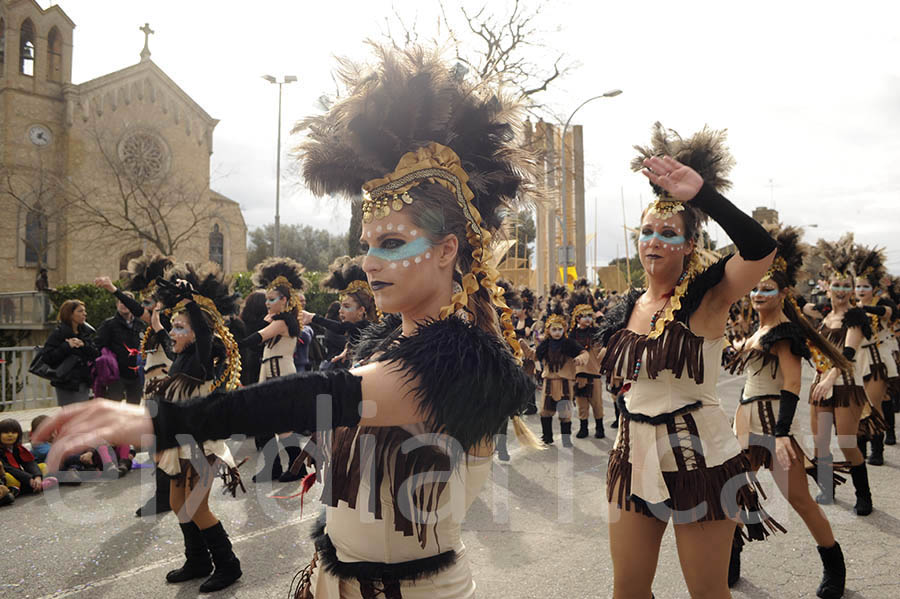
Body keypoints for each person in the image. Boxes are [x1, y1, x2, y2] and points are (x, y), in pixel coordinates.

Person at [36, 45, 538, 598]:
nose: (370, 262)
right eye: (368, 244)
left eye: (393, 244)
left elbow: (317, 393)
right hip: (335, 579)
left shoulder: (464, 362)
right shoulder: (388, 344)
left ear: (447, 249)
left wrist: (157, 421)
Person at [597, 123, 780, 598]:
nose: (654, 241)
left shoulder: (708, 298)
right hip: (633, 455)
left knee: (707, 593)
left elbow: (760, 249)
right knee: (628, 592)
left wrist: (705, 195)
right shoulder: (629, 305)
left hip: (700, 462)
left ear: (690, 246)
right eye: (648, 231)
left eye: (669, 233)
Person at [728, 225, 848, 598]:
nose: (759, 293)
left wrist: (781, 434)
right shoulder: (756, 330)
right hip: (744, 422)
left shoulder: (784, 333)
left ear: (784, 294)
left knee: (800, 500)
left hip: (771, 427)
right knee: (732, 495)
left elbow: (791, 385)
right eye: (756, 288)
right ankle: (730, 558)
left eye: (768, 289)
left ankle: (834, 566)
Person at [147, 263, 246, 592]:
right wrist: (163, 319)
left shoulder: (203, 358)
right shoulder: (180, 357)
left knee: (195, 506)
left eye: (180, 328)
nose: (173, 333)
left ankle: (228, 565)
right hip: (180, 443)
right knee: (178, 504)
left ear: (195, 333)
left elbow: (203, 331)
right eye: (173, 328)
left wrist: (190, 299)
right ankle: (198, 560)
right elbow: (165, 335)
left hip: (202, 444)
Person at [809, 236, 876, 515]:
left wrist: (829, 378)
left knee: (848, 443)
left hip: (845, 386)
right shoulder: (823, 318)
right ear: (828, 287)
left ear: (851, 290)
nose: (841, 289)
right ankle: (828, 487)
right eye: (836, 284)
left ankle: (865, 496)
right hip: (820, 385)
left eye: (846, 286)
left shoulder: (856, 318)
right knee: (820, 441)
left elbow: (848, 355)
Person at [240, 257, 309, 483]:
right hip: (269, 374)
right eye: (267, 299)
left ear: (285, 300)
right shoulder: (277, 320)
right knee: (266, 422)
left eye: (272, 299)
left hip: (280, 374)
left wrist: (233, 345)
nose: (267, 303)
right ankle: (274, 467)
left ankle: (296, 466)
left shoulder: (284, 321)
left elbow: (258, 337)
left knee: (281, 425)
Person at [119, 255, 177, 517]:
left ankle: (166, 496)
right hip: (152, 389)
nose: (148, 304)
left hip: (166, 388)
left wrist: (159, 326)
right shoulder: (154, 320)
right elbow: (133, 306)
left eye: (152, 299)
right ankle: (164, 494)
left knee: (163, 444)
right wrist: (113, 290)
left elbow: (174, 352)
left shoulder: (171, 321)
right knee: (157, 444)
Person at [851, 244, 895, 466]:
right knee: (857, 406)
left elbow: (886, 313)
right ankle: (860, 449)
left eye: (865, 286)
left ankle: (877, 450)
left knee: (874, 404)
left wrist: (863, 310)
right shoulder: (852, 306)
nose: (860, 290)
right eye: (858, 286)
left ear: (874, 288)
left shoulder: (883, 303)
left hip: (876, 358)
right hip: (856, 359)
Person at [301, 256, 376, 369]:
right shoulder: (358, 331)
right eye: (341, 306)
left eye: (346, 306)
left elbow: (341, 328)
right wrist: (346, 352)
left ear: (361, 310)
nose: (340, 311)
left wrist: (313, 317)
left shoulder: (367, 328)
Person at [42, 299, 99, 406]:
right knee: (71, 416)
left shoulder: (85, 333)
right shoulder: (58, 333)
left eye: (84, 311)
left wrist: (83, 344)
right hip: (66, 382)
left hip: (83, 380)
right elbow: (47, 357)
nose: (84, 314)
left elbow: (95, 353)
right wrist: (67, 346)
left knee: (82, 415)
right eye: (80, 311)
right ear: (70, 314)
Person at [568, 290, 605, 439]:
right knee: (581, 404)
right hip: (578, 375)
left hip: (594, 373)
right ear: (577, 318)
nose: (588, 319)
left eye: (590, 316)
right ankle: (583, 428)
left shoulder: (597, 332)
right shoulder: (571, 335)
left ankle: (600, 427)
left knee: (597, 403)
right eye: (584, 316)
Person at [0, 419, 57, 494]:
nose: (10, 435)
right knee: (8, 477)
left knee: (43, 466)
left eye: (14, 432)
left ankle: (37, 484)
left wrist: (37, 476)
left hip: (22, 475)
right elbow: (9, 468)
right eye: (6, 432)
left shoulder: (18, 448)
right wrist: (29, 478)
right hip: (11, 476)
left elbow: (29, 463)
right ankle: (32, 487)